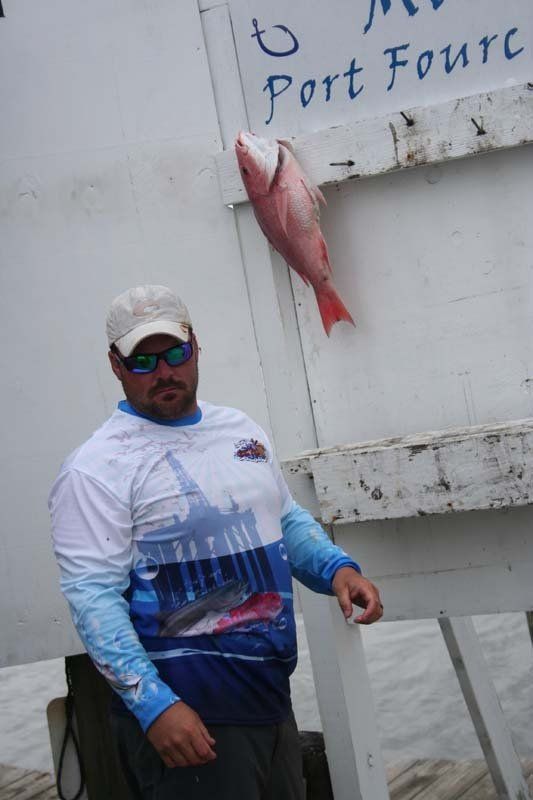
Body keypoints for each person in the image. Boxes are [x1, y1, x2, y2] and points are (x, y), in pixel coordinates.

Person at [49, 284, 383, 800]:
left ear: (196, 346)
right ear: (115, 365)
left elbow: (285, 520)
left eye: (175, 353)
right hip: (186, 724)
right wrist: (154, 706)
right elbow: (93, 601)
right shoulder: (96, 468)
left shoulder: (240, 432)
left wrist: (337, 569)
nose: (164, 372)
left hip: (270, 705)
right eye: (143, 361)